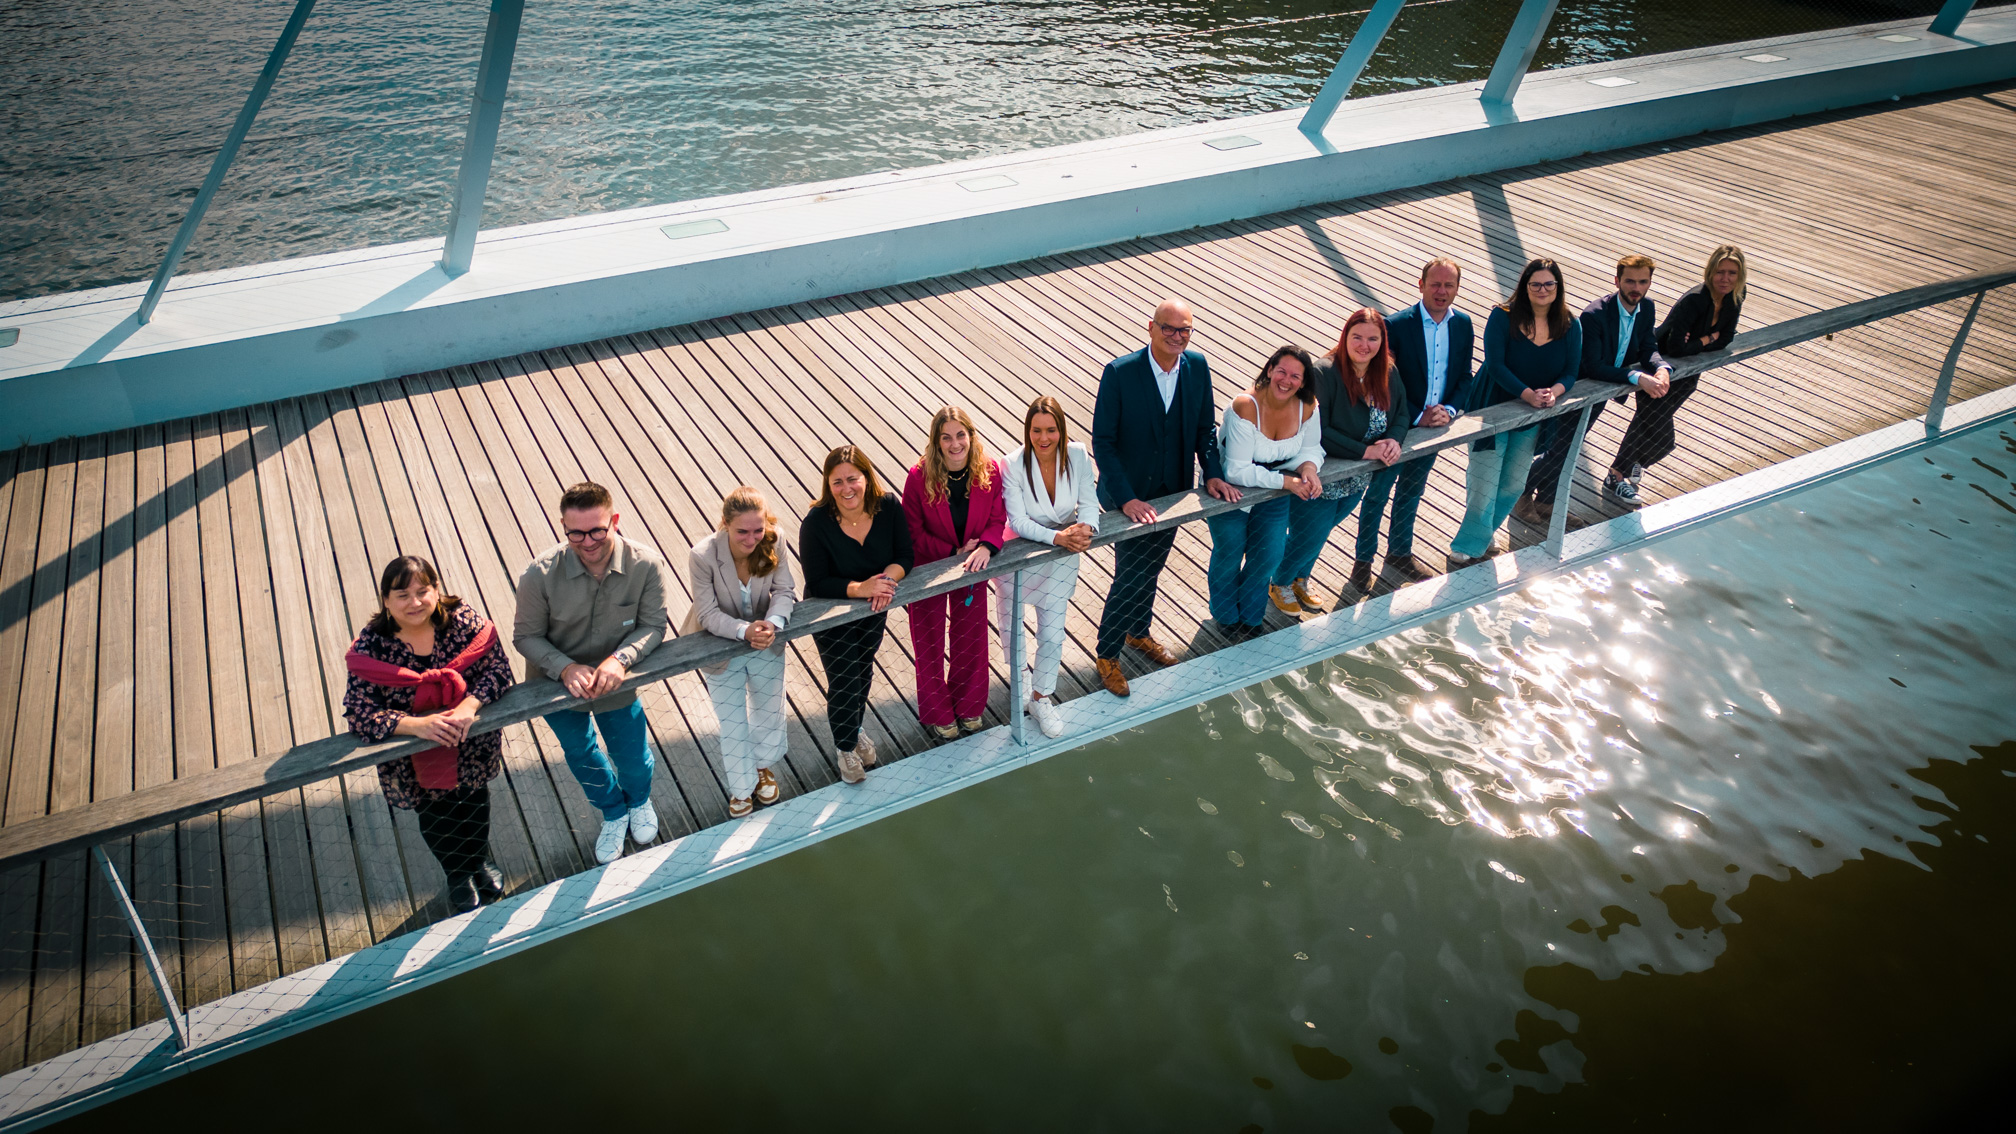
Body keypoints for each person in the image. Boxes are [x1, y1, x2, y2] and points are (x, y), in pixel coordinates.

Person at [344, 555, 515, 913]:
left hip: (468, 737)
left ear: (437, 590)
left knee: (474, 799)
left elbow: (498, 669)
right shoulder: (371, 647)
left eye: (423, 591)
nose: (415, 602)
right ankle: (457, 873)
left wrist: (468, 707)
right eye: (402, 595)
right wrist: (417, 726)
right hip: (413, 751)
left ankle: (479, 860)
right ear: (386, 600)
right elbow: (360, 711)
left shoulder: (462, 622)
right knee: (435, 813)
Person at [514, 482, 670, 866]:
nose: (587, 542)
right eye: (576, 533)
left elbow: (653, 626)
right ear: (563, 528)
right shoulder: (538, 575)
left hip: (617, 681)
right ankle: (613, 812)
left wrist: (620, 659)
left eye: (598, 530)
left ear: (614, 520)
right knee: (580, 754)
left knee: (633, 756)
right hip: (554, 684)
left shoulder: (646, 565)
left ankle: (639, 802)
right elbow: (526, 637)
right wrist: (564, 667)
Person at [1090, 299, 1236, 698]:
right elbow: (1103, 442)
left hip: (1172, 491)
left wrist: (1213, 474)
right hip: (1128, 493)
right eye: (1168, 328)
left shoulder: (1197, 366)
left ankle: (1138, 632)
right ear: (1151, 328)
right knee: (1131, 572)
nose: (1176, 336)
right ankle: (1107, 653)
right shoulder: (1120, 373)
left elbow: (1205, 429)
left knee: (1153, 564)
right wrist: (1126, 499)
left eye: (1184, 329)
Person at [1516, 253, 1671, 524]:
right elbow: (1594, 366)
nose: (1636, 288)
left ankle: (1546, 502)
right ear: (1617, 281)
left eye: (1642, 282)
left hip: (1604, 389)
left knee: (1568, 448)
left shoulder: (1646, 307)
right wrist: (1638, 377)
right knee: (1561, 448)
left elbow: (1648, 346)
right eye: (1630, 281)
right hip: (1576, 389)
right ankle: (1521, 493)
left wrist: (1660, 368)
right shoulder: (1595, 315)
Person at [1448, 259, 1582, 568]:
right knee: (1484, 480)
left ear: (1558, 287)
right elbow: (1495, 365)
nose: (1542, 290)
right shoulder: (1503, 316)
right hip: (1492, 409)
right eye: (1535, 284)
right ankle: (1467, 545)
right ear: (1524, 287)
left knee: (1513, 483)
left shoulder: (1569, 324)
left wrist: (1554, 392)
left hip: (1531, 415)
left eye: (1549, 284)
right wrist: (1527, 394)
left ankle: (1483, 534)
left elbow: (1571, 372)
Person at [1273, 309, 1408, 613]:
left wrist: (1394, 440)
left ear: (1382, 342)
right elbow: (1318, 429)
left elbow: (1401, 412)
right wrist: (1365, 452)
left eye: (1372, 339)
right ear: (1345, 337)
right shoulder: (1323, 373)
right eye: (1357, 337)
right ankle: (1279, 582)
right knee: (1309, 535)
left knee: (1321, 532)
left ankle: (1300, 579)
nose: (1364, 345)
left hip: (1357, 476)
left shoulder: (1387, 370)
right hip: (1320, 473)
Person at [1355, 258, 1474, 588]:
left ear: (1457, 289)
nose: (1441, 291)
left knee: (1412, 490)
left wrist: (1449, 410)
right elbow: (1381, 381)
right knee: (1378, 494)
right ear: (1420, 285)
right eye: (1435, 284)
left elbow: (1465, 376)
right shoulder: (1395, 326)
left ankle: (1399, 553)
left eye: (1448, 285)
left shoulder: (1463, 324)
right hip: (1395, 426)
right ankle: (1363, 561)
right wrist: (1416, 415)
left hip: (1433, 428)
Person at [800, 444, 913, 783]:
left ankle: (854, 729)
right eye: (837, 482)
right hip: (830, 610)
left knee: (863, 671)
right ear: (828, 485)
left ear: (866, 477)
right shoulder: (816, 523)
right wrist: (861, 588)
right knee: (845, 677)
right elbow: (817, 581)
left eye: (853, 479)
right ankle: (845, 748)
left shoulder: (888, 506)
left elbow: (904, 556)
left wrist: (884, 583)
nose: (846, 488)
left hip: (873, 604)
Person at [686, 487, 797, 819]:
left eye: (757, 530)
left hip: (766, 639)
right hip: (721, 647)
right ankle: (740, 787)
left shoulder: (775, 540)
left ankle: (762, 767)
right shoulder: (702, 556)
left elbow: (784, 590)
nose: (751, 539)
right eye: (742, 532)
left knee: (769, 710)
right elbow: (707, 614)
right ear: (725, 524)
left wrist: (772, 624)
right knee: (732, 721)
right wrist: (744, 631)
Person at [1607, 244, 1748, 502]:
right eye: (1720, 272)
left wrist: (1700, 341)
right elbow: (1675, 348)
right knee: (1662, 438)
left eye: (1732, 273)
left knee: (1647, 423)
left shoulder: (1736, 295)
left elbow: (1726, 338)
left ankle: (1622, 471)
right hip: (1659, 367)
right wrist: (1708, 339)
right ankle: (1620, 473)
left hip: (1689, 373)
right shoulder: (1695, 300)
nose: (1725, 279)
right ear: (1710, 272)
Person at [998, 395, 1099, 739]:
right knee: (1012, 631)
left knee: (1053, 635)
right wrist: (1058, 537)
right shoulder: (1012, 464)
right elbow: (1018, 520)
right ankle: (1021, 679)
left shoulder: (1078, 455)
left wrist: (1086, 528)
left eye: (1051, 430)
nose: (1043, 438)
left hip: (1061, 561)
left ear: (1062, 430)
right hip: (1020, 559)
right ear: (1027, 431)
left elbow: (1089, 502)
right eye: (1036, 430)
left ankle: (1041, 698)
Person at [904, 406, 1008, 740]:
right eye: (946, 437)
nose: (955, 444)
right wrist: (952, 553)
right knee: (929, 641)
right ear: (936, 441)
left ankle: (969, 705)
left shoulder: (988, 471)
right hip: (930, 568)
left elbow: (997, 519)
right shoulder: (918, 477)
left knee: (971, 637)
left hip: (972, 565)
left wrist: (986, 547)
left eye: (960, 435)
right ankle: (938, 711)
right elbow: (912, 532)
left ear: (971, 436)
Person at [1208, 346, 1323, 639]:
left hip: (1274, 490)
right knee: (1230, 552)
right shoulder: (1245, 406)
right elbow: (1236, 471)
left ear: (1303, 381)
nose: (1287, 380)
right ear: (1269, 370)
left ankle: (1251, 614)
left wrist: (1309, 468)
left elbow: (1312, 448)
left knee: (1269, 555)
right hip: (1231, 491)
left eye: (1296, 376)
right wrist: (1287, 482)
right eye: (1281, 371)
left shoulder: (1308, 406)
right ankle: (1225, 615)